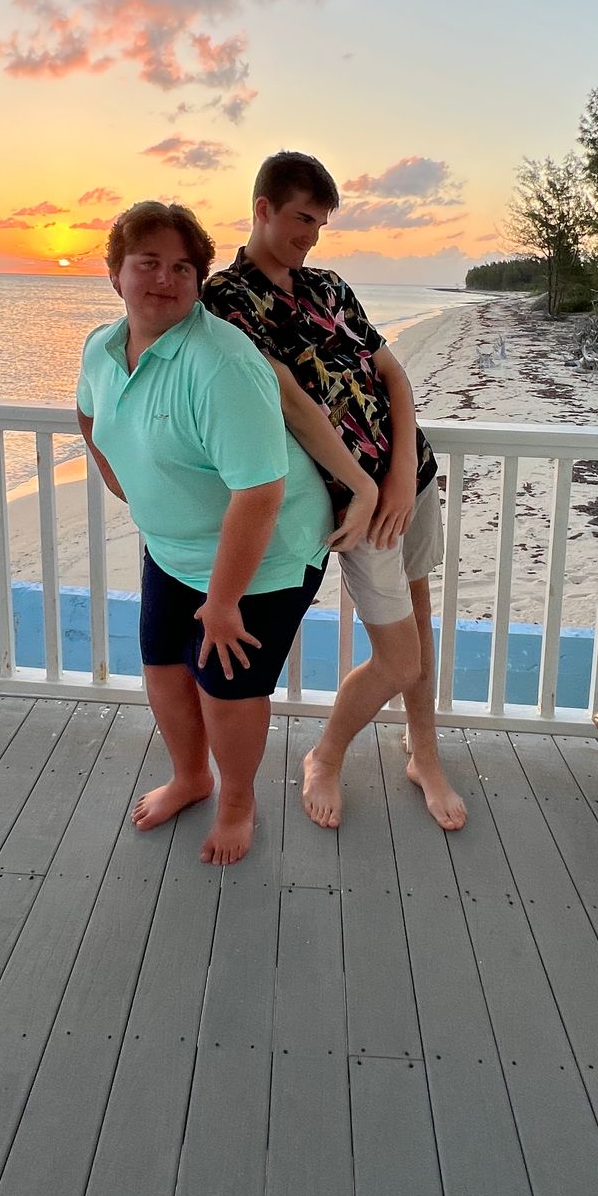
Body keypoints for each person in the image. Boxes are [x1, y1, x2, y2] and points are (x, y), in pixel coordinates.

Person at [202, 151, 469, 832]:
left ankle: (425, 754)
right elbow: (291, 402)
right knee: (399, 658)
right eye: (302, 220)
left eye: (320, 224)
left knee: (419, 621)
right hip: (353, 504)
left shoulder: (328, 287)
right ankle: (325, 755)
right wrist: (367, 488)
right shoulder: (226, 301)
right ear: (262, 208)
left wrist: (400, 474)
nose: (311, 237)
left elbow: (393, 375)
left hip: (411, 478)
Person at [76, 200, 339, 866]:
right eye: (148, 263)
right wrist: (125, 484)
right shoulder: (102, 348)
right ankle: (191, 778)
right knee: (164, 670)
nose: (164, 279)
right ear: (116, 274)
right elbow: (87, 415)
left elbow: (260, 493)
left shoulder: (220, 363)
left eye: (182, 268)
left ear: (198, 281)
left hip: (265, 555)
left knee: (226, 690)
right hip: (173, 550)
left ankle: (237, 802)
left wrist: (222, 603)